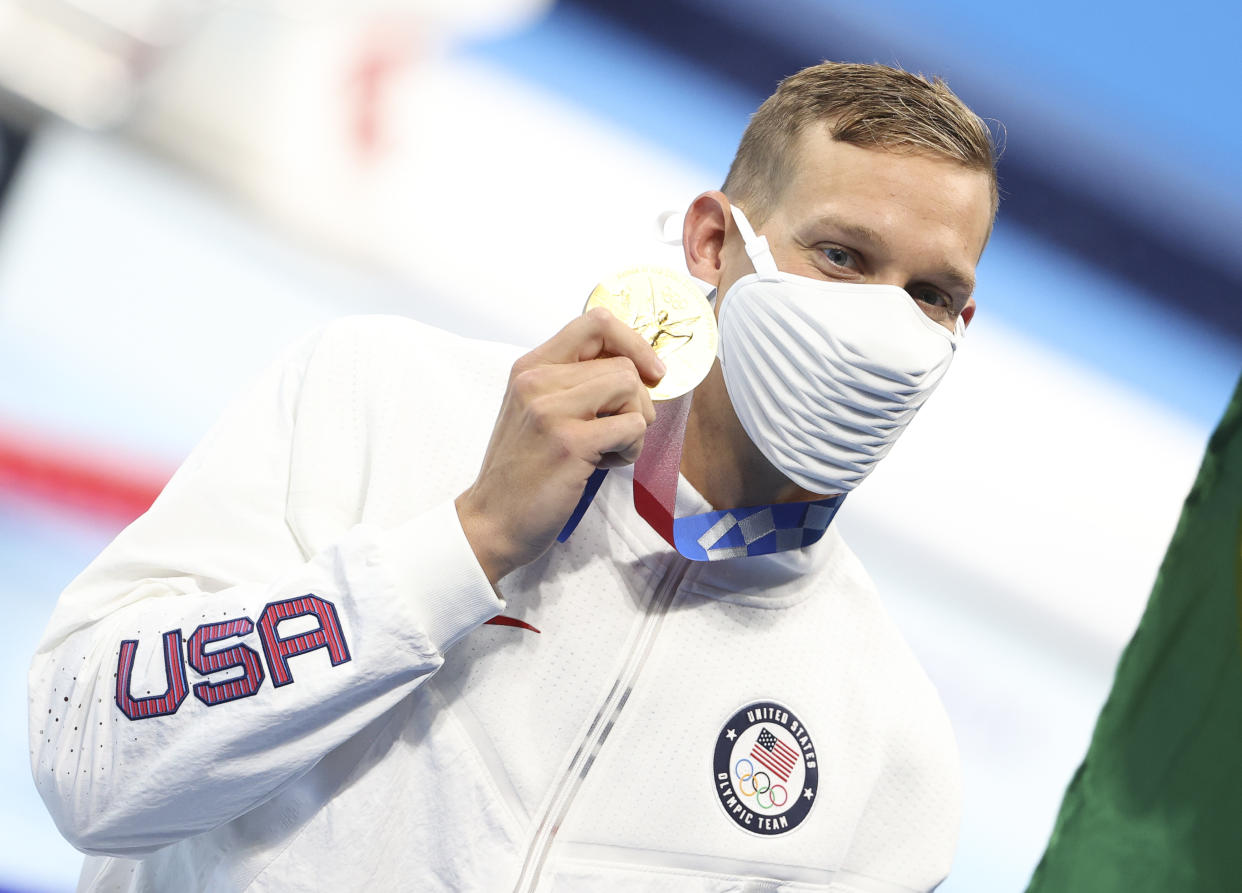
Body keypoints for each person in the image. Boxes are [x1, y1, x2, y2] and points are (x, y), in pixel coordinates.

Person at [29, 61, 998, 892]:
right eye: (841, 255)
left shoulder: (894, 763)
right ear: (713, 241)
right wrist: (468, 538)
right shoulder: (379, 392)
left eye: (931, 293)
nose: (882, 326)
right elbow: (89, 762)